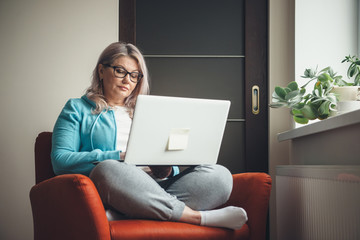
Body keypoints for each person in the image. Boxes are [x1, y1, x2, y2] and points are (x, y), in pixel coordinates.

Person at [51, 42, 248, 230]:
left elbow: (168, 159)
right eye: (120, 71)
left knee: (220, 176)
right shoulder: (76, 108)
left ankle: (129, 213)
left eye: (134, 75)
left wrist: (168, 169)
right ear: (101, 71)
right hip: (118, 184)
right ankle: (198, 218)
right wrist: (120, 156)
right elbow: (61, 161)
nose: (128, 80)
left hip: (157, 186)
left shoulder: (147, 111)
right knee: (108, 170)